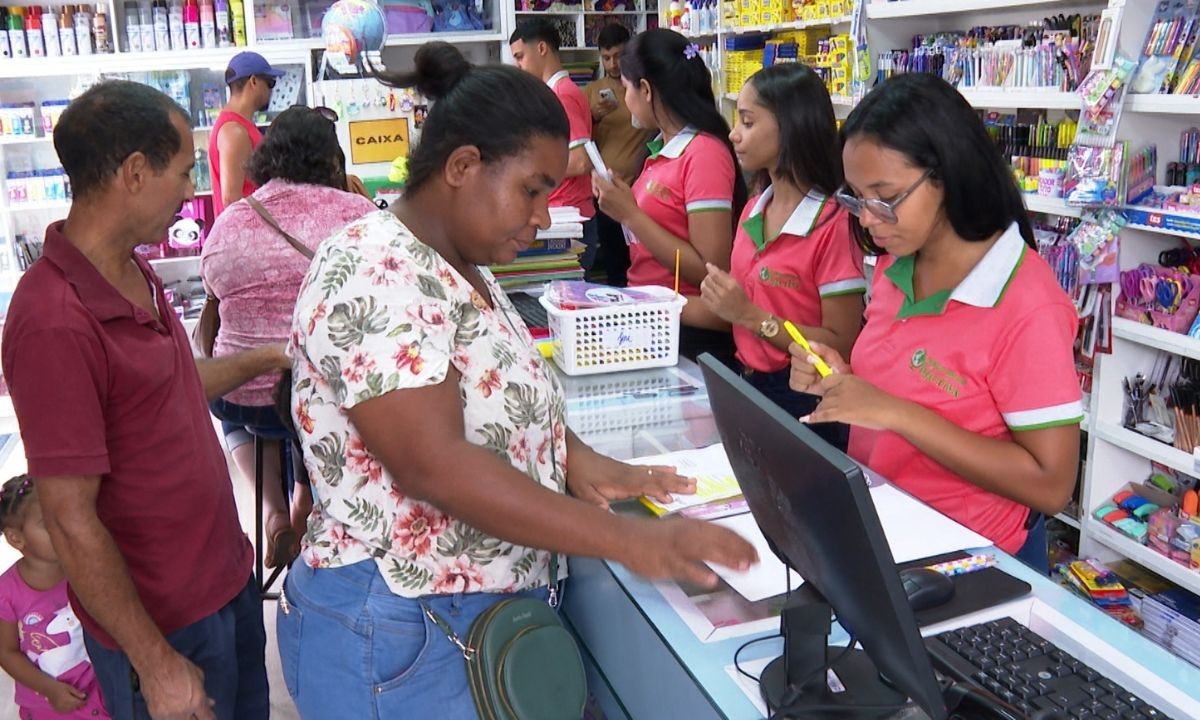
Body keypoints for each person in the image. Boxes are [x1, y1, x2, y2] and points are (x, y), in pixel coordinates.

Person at [278, 42, 756, 718]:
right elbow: (434, 467)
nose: (542, 215)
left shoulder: (461, 265)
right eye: (532, 189)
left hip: (468, 615)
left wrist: (581, 462)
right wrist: (637, 541)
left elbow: (498, 398)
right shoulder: (377, 271)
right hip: (400, 629)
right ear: (462, 166)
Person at [2, 80, 289, 720]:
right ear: (135, 173)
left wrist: (270, 359)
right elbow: (71, 517)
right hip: (162, 621)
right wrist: (154, 661)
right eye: (184, 171)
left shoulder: (133, 271)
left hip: (223, 581)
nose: (192, 189)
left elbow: (173, 384)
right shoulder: (53, 320)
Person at [788, 73, 1083, 573]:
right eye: (857, 198)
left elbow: (1052, 485)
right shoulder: (893, 264)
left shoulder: (1026, 303)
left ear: (946, 175)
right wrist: (842, 380)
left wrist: (895, 412)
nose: (867, 219)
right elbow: (898, 385)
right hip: (885, 529)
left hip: (971, 560)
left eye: (885, 197)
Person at [201, 106, 379, 570]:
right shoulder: (358, 215)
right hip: (327, 395)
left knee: (249, 414)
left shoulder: (233, 220)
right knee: (309, 412)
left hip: (241, 394)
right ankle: (304, 497)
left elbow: (214, 292)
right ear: (331, 159)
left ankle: (271, 510)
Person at [700, 63, 865, 451]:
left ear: (790, 126)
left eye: (748, 121)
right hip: (747, 381)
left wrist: (750, 317)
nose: (734, 133)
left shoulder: (834, 222)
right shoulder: (754, 209)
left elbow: (841, 342)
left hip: (805, 397)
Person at [593, 28, 748, 365]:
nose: (623, 94)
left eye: (626, 85)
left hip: (689, 334)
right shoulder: (659, 150)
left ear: (645, 90)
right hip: (654, 320)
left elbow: (711, 271)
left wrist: (630, 215)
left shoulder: (704, 153)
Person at [0, 475, 110, 720]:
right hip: (50, 706)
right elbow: (6, 653)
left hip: (103, 690)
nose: (63, 526)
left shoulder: (83, 566)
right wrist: (49, 689)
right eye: (47, 523)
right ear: (16, 538)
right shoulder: (6, 593)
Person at [509, 19, 599, 270]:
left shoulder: (562, 95)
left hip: (570, 215)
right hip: (564, 212)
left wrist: (528, 169)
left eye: (520, 56)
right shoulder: (558, 92)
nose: (518, 66)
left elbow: (580, 160)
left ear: (541, 49)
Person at [583, 23, 652, 286]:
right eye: (606, 58)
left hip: (641, 190)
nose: (613, 64)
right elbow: (578, 139)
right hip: (605, 192)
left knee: (641, 260)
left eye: (619, 56)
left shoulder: (643, 89)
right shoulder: (590, 92)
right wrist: (594, 117)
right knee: (614, 263)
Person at [208, 51, 283, 216]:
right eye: (270, 83)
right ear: (254, 81)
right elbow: (231, 199)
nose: (271, 91)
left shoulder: (240, 126)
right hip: (245, 236)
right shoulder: (234, 131)